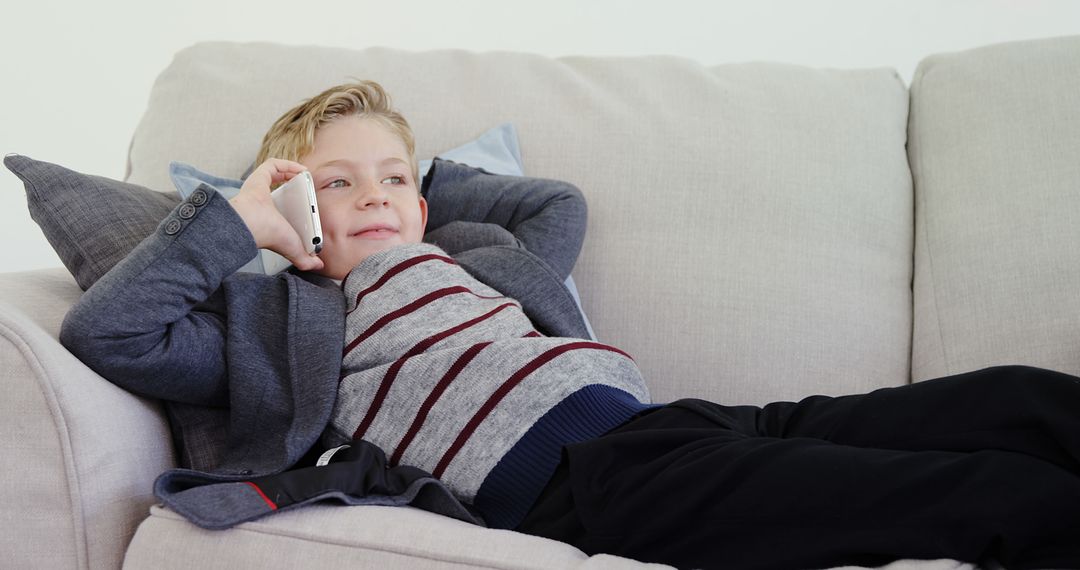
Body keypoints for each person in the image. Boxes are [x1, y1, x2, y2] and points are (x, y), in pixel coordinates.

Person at [59, 81, 1080, 570]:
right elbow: (113, 334)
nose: (374, 193)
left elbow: (556, 206)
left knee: (1020, 401)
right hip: (593, 486)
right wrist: (242, 218)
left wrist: (425, 184)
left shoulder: (477, 258)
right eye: (337, 181)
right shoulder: (276, 314)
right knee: (994, 496)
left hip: (687, 423)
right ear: (293, 217)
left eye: (395, 178)